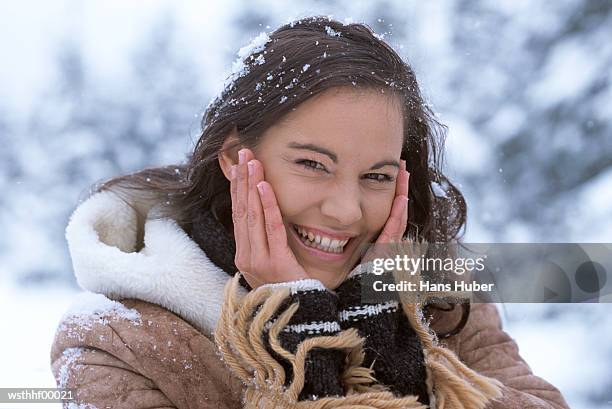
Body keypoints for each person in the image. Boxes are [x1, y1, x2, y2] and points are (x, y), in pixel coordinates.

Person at [50, 17, 569, 409]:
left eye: (376, 176)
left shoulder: (438, 302)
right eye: (312, 164)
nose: (346, 211)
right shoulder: (117, 345)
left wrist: (378, 322)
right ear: (235, 158)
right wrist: (300, 339)